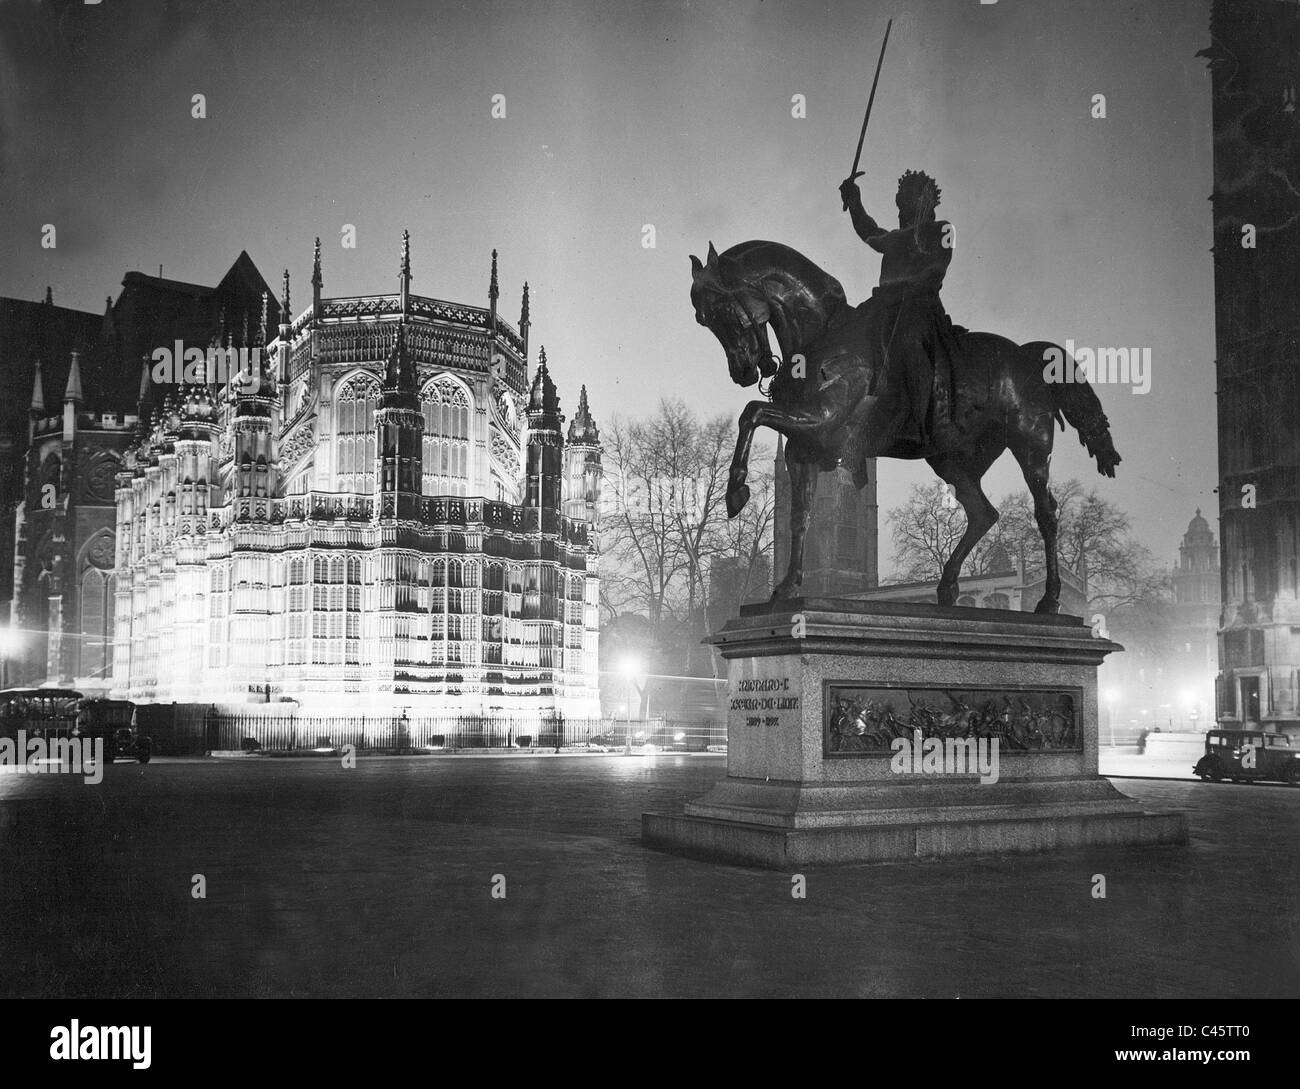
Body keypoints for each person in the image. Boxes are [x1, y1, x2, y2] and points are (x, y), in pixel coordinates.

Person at [838, 169, 963, 453]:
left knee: (908, 339)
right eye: (899, 201)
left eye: (906, 201)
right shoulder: (895, 237)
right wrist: (855, 202)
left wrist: (906, 288)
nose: (900, 208)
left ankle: (918, 422)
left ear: (923, 201)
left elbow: (937, 267)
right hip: (886, 306)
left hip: (918, 307)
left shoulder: (942, 230)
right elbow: (870, 233)